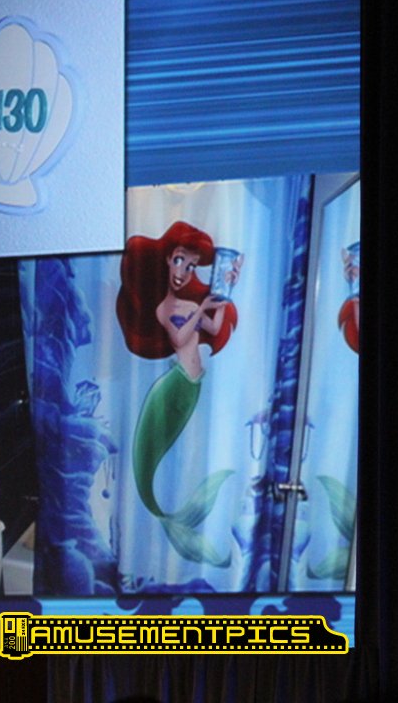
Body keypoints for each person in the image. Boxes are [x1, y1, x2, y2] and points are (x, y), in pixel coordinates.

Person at [116, 221, 239, 566]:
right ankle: (160, 524)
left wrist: (224, 295)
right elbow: (180, 339)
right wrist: (201, 307)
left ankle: (171, 525)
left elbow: (212, 327)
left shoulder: (188, 305)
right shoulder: (166, 308)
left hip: (192, 386)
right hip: (176, 385)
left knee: (185, 457)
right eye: (180, 261)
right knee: (155, 458)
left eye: (192, 265)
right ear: (167, 260)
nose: (184, 272)